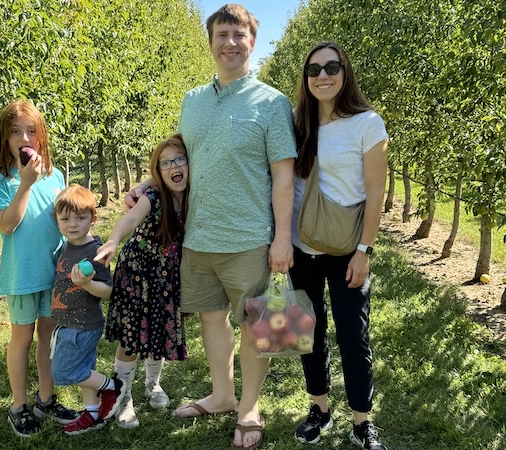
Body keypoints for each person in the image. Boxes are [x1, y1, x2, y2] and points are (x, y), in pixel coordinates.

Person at [124, 5, 296, 448]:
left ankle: (250, 406)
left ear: (252, 42)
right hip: (197, 236)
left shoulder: (273, 103)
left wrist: (281, 238)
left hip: (250, 238)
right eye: (222, 34)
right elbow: (184, 158)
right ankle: (222, 395)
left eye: (239, 35)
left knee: (260, 325)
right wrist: (147, 185)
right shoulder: (193, 100)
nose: (230, 43)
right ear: (211, 42)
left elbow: (282, 175)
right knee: (212, 321)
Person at [289, 42, 389, 449]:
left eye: (331, 67)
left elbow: (376, 191)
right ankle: (320, 408)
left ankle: (362, 422)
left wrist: (365, 250)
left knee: (353, 335)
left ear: (345, 72)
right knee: (308, 333)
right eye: (314, 70)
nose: (323, 75)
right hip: (301, 247)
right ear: (306, 78)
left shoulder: (367, 123)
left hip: (348, 248)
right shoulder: (297, 122)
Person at [0, 100, 79, 437]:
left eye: (31, 130)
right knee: (22, 338)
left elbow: (64, 222)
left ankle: (46, 399)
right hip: (23, 274)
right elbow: (7, 225)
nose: (24, 138)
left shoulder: (55, 174)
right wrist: (25, 183)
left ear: (41, 135)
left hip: (53, 270)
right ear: (4, 138)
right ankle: (19, 406)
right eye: (15, 131)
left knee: (48, 337)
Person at [93, 134, 189, 429]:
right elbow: (131, 219)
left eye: (179, 159)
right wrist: (111, 241)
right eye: (165, 163)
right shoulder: (153, 197)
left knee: (158, 332)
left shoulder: (192, 195)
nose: (174, 166)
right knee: (132, 337)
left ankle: (153, 385)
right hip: (138, 273)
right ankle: (123, 397)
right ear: (157, 172)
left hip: (167, 274)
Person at [50, 184, 127, 435]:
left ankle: (111, 387)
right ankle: (92, 413)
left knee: (66, 372)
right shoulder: (67, 245)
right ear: (57, 221)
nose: (72, 224)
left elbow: (107, 289)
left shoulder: (95, 251)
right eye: (65, 219)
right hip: (68, 322)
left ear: (93, 219)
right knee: (85, 370)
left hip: (83, 325)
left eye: (80, 218)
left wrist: (86, 283)